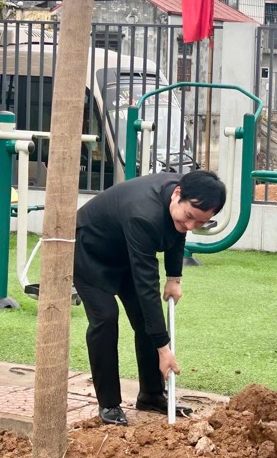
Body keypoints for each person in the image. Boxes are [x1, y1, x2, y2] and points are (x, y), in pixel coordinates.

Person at [74, 169, 226, 426]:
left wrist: (174, 277)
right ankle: (109, 405)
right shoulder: (143, 214)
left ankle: (152, 395)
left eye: (199, 223)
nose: (190, 226)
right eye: (190, 217)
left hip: (126, 250)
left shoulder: (181, 197)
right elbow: (146, 288)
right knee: (106, 319)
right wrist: (163, 349)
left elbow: (178, 232)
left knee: (145, 319)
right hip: (91, 249)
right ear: (177, 194)